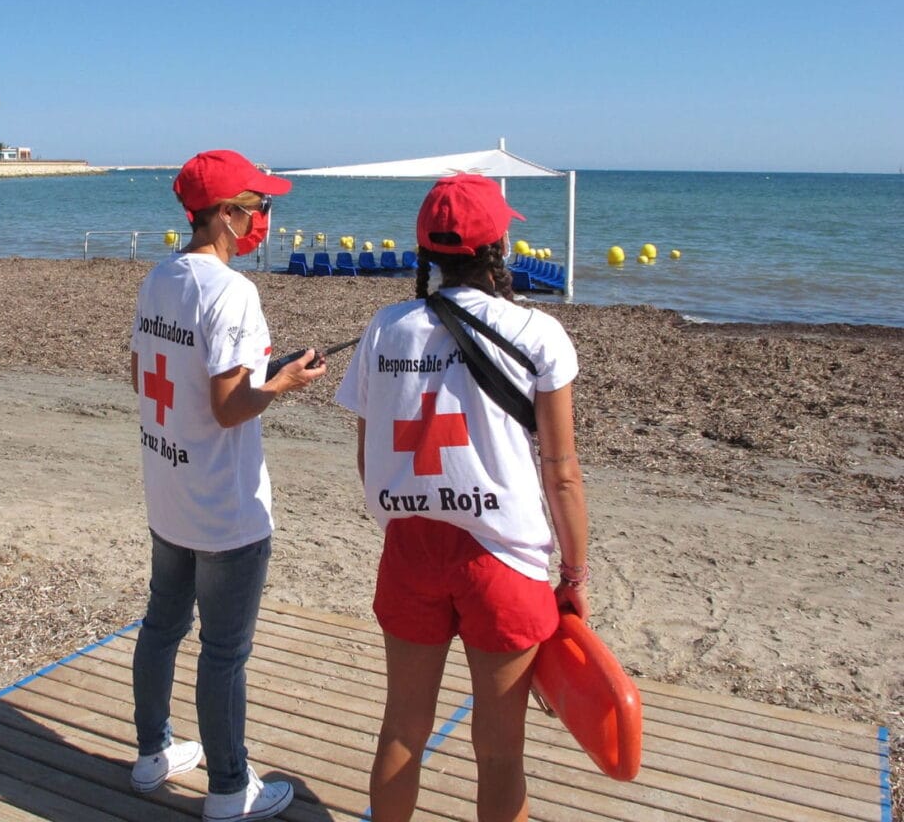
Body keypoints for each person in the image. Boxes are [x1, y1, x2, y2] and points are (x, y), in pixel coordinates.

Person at [333, 174, 590, 822]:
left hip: (411, 547)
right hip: (504, 559)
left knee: (402, 730)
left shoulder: (385, 329)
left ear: (428, 250)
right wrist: (576, 572)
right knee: (501, 752)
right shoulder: (538, 334)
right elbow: (561, 473)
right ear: (500, 243)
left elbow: (370, 458)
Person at [128, 149, 327, 822]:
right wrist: (282, 383)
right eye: (257, 205)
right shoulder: (232, 292)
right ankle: (228, 788)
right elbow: (228, 406)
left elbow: (143, 376)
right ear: (223, 213)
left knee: (162, 625)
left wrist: (256, 378)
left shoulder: (159, 278)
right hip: (225, 507)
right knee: (223, 652)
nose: (264, 218)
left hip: (169, 490)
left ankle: (152, 752)